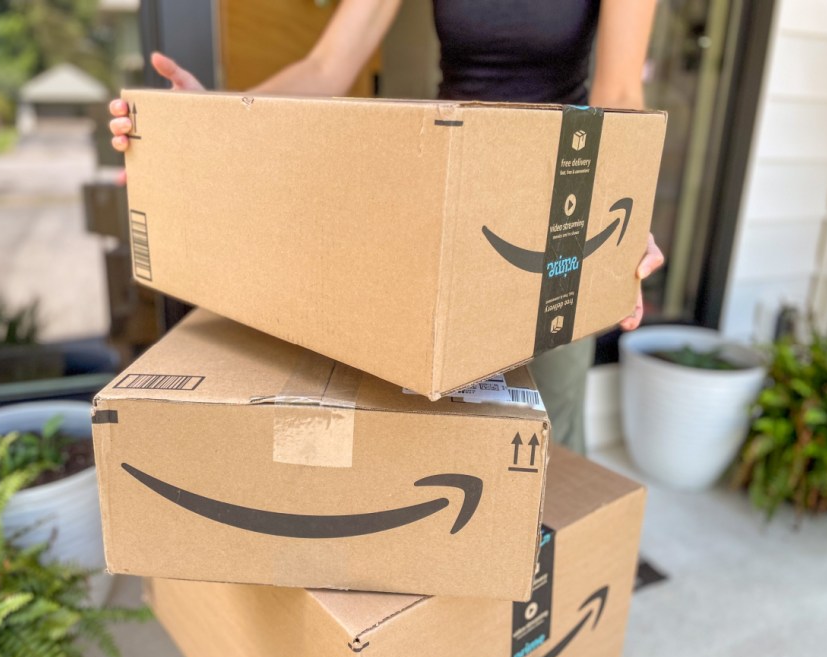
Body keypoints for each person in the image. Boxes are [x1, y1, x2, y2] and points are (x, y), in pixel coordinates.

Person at [108, 0, 664, 454]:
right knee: (443, 429)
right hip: (453, 209)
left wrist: (624, 208)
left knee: (551, 443)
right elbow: (327, 67)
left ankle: (550, 580)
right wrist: (208, 123)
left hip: (555, 215)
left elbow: (618, 96)